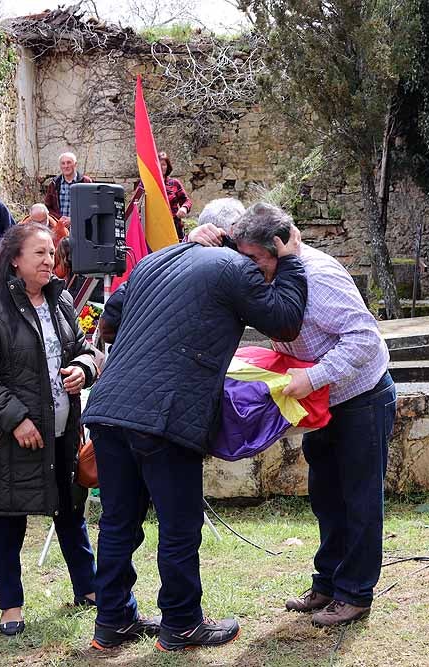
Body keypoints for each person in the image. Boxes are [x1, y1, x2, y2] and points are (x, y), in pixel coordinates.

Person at [81, 213, 308, 652]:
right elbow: (285, 321)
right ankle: (183, 623)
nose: (264, 269)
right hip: (164, 415)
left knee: (117, 522)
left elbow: (108, 321)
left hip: (108, 408)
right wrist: (292, 259)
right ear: (239, 243)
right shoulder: (236, 268)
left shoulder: (157, 259)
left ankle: (112, 624)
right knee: (179, 524)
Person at [190, 203, 394, 628]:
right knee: (325, 494)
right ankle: (328, 583)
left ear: (280, 247)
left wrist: (315, 377)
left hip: (360, 398)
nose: (246, 267)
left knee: (359, 499)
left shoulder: (319, 278)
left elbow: (365, 341)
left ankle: (355, 593)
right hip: (321, 401)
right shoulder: (267, 270)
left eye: (253, 259)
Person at [0, 223, 101, 637]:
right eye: (38, 253)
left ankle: (89, 589)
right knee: (9, 519)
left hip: (63, 431)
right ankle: (11, 605)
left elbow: (85, 350)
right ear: (15, 259)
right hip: (14, 437)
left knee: (71, 512)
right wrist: (17, 418)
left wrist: (84, 368)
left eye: (50, 253)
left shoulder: (60, 302)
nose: (48, 260)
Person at [132, 152, 192, 241]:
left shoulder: (175, 183)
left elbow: (187, 201)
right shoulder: (145, 183)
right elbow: (136, 203)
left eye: (163, 165)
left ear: (167, 167)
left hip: (173, 226)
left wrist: (184, 208)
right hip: (152, 227)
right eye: (158, 165)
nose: (161, 167)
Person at [44, 152, 92, 229]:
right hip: (59, 225)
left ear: (75, 164)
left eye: (69, 162)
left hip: (81, 226)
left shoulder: (86, 182)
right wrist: (59, 219)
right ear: (60, 166)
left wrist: (73, 220)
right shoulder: (54, 183)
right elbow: (48, 207)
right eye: (63, 163)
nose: (66, 166)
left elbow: (91, 207)